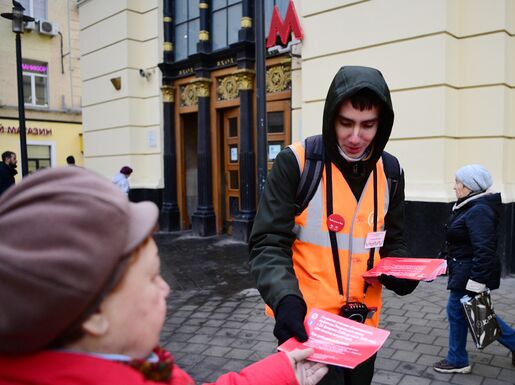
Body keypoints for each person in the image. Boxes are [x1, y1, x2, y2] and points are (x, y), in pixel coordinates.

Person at [0, 167, 328, 385]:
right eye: (152, 277)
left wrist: (281, 373)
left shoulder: (132, 364)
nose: (167, 288)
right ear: (95, 314)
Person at [249, 66, 419, 385]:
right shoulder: (297, 162)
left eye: (368, 125)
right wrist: (284, 298)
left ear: (381, 125)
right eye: (346, 123)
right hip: (308, 326)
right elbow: (268, 243)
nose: (356, 137)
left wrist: (401, 272)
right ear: (331, 117)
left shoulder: (391, 171)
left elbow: (394, 241)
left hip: (362, 328)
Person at [433, 164, 515, 374]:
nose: (454, 187)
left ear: (469, 186)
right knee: (469, 312)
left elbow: (485, 248)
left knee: (462, 311)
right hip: (463, 268)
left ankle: (458, 359)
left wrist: (477, 281)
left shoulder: (479, 210)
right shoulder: (469, 206)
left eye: (457, 182)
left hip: (470, 273)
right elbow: (462, 241)